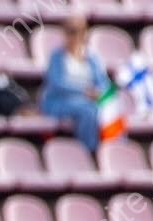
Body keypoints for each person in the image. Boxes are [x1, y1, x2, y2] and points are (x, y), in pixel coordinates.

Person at [38, 14, 113, 155]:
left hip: (86, 101)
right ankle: (88, 152)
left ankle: (110, 151)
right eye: (69, 31)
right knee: (88, 109)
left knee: (109, 108)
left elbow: (103, 83)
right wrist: (85, 91)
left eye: (78, 31)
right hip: (58, 102)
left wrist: (99, 92)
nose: (74, 36)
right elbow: (58, 83)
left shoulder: (91, 57)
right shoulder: (57, 56)